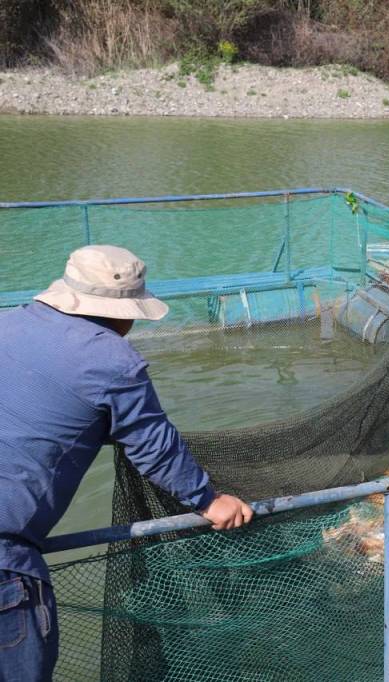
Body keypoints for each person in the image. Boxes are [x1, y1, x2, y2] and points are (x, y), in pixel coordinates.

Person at [0, 245, 254, 681]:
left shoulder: (8, 322)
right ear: (123, 313)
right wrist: (209, 501)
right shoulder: (113, 362)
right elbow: (155, 447)